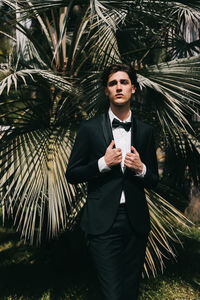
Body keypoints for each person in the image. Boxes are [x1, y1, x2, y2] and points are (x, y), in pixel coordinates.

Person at [66, 63, 159, 300]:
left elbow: (154, 180)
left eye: (124, 82)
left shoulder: (146, 131)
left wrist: (141, 168)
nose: (119, 87)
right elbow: (72, 174)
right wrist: (102, 163)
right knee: (112, 294)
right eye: (112, 83)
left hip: (136, 223)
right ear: (106, 91)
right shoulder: (89, 129)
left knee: (130, 292)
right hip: (102, 223)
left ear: (134, 89)